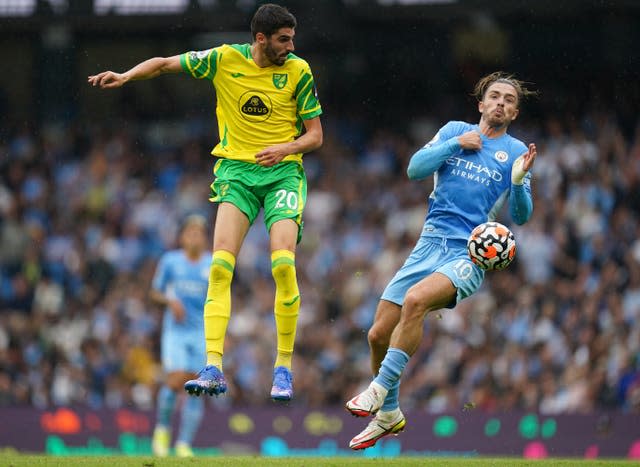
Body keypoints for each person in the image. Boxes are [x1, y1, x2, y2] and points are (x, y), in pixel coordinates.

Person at [88, 3, 323, 402]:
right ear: (261, 39)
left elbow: (315, 135)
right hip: (236, 175)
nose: (291, 46)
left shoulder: (298, 71)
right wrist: (127, 76)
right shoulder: (223, 59)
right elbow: (164, 64)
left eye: (292, 39)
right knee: (219, 267)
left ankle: (283, 368)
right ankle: (213, 366)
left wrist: (285, 148)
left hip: (283, 173)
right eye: (284, 39)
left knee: (282, 263)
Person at [344, 71, 538, 450]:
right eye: (494, 96)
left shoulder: (516, 152)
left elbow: (523, 215)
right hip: (428, 243)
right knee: (377, 335)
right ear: (481, 104)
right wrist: (454, 145)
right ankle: (390, 414)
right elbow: (415, 168)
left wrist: (517, 182)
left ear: (514, 113)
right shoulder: (454, 129)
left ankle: (378, 390)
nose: (501, 103)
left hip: (469, 251)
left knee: (416, 301)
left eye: (509, 100)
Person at [149, 215, 211, 457]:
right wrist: (170, 300)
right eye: (190, 232)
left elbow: (222, 298)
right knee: (174, 381)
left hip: (201, 332)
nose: (195, 237)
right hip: (176, 332)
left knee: (197, 386)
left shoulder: (213, 263)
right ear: (182, 237)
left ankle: (184, 443)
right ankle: (162, 429)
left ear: (205, 239)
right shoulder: (170, 261)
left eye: (199, 233)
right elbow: (154, 292)